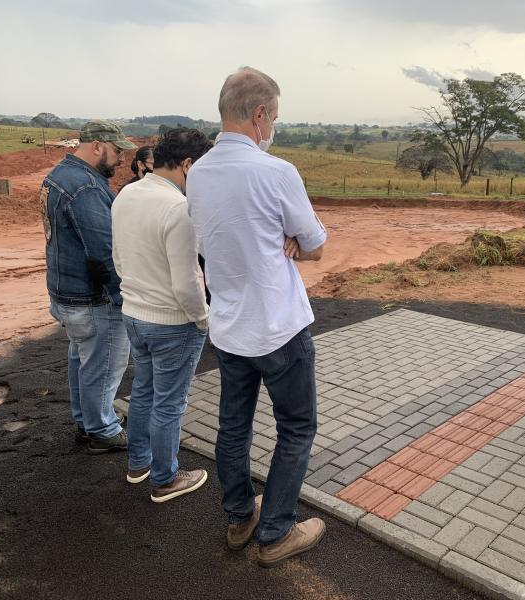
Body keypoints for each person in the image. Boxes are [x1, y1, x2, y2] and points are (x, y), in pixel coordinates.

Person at [187, 67, 327, 567]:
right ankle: (275, 532)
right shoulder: (276, 172)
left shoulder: (198, 172)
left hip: (228, 326)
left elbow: (209, 243)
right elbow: (313, 243)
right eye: (275, 117)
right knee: (295, 428)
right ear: (261, 114)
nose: (274, 127)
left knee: (233, 425)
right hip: (278, 326)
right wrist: (290, 241)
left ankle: (240, 515)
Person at [112, 128, 212, 502]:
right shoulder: (179, 209)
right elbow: (188, 280)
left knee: (143, 391)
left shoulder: (126, 196)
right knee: (169, 402)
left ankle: (139, 464)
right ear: (187, 164)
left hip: (133, 313)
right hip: (173, 322)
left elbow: (119, 259)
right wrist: (202, 317)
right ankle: (165, 478)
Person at [40, 120, 136, 454]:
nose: (122, 159)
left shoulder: (59, 176)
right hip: (92, 298)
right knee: (103, 365)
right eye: (117, 150)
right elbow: (104, 251)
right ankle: (102, 430)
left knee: (83, 360)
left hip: (66, 292)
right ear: (97, 146)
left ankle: (87, 421)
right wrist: (124, 299)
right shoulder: (86, 187)